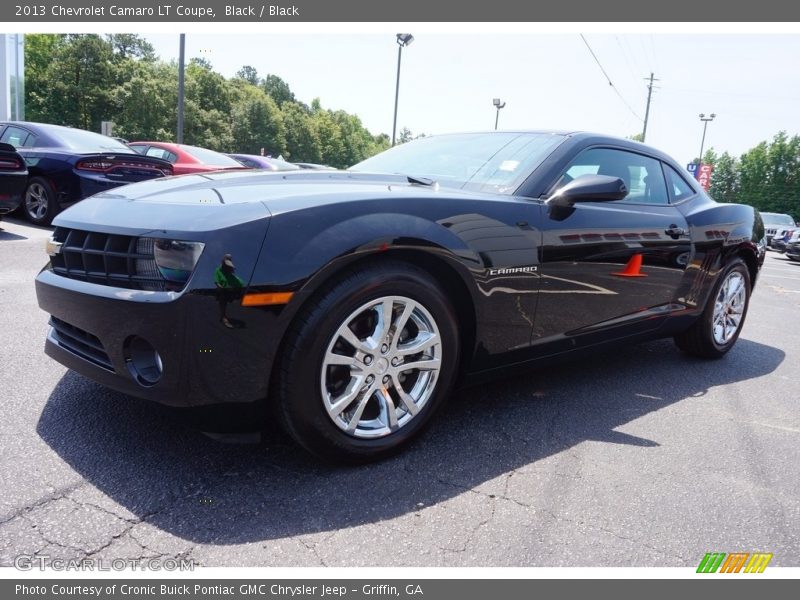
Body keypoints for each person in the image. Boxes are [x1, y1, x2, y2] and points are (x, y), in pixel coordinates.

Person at [214, 254, 244, 328]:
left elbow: (240, 283)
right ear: (223, 262)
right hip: (223, 291)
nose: (226, 266)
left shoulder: (230, 274)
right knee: (223, 296)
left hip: (231, 291)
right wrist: (221, 287)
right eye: (225, 264)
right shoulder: (218, 270)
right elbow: (217, 282)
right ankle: (223, 317)